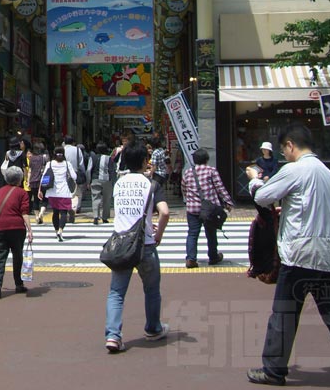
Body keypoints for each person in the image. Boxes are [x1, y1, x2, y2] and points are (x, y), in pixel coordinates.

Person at [245, 122, 330, 389]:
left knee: (284, 315)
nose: (284, 155)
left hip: (299, 256)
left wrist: (254, 179)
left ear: (290, 145)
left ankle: (274, 370)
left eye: (284, 150)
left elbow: (264, 196)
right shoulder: (328, 175)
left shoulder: (295, 169)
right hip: (327, 256)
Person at [104, 142, 170, 353]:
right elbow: (165, 212)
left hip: (121, 244)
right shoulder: (151, 185)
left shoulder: (119, 184)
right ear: (144, 161)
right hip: (145, 245)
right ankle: (153, 329)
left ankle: (113, 336)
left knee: (116, 292)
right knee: (151, 289)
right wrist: (158, 234)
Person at [181, 149, 233, 268]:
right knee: (211, 233)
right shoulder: (211, 171)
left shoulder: (188, 172)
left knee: (193, 233)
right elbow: (220, 187)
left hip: (192, 209)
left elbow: (183, 187)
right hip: (209, 209)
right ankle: (213, 256)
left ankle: (191, 259)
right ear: (206, 159)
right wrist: (227, 202)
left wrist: (189, 199)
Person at [0, 165, 33, 298]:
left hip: (1, 227)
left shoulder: (0, 192)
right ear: (20, 179)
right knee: (17, 256)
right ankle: (18, 284)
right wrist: (30, 229)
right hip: (18, 229)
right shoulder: (22, 193)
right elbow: (24, 213)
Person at [38, 145, 73, 241]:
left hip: (52, 192)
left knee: (55, 212)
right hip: (64, 191)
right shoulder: (67, 164)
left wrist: (40, 190)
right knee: (64, 212)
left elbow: (43, 178)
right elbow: (74, 176)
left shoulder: (49, 164)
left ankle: (56, 230)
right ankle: (60, 230)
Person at [63, 136, 87, 222]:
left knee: (64, 193)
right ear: (73, 142)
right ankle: (73, 209)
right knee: (76, 194)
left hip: (63, 174)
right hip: (75, 174)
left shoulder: (62, 149)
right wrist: (84, 174)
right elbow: (81, 164)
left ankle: (64, 212)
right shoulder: (77, 150)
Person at [89, 142, 114, 225]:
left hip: (95, 179)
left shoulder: (93, 157)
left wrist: (89, 180)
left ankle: (96, 216)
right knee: (107, 200)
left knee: (95, 198)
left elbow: (89, 170)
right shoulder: (109, 158)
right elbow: (111, 170)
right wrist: (112, 180)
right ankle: (105, 218)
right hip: (107, 180)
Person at [28, 141, 49, 225]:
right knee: (45, 198)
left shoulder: (31, 158)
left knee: (35, 200)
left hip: (33, 181)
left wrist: (29, 181)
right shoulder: (44, 157)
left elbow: (29, 171)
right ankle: (41, 214)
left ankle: (37, 217)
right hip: (43, 180)